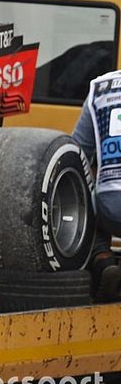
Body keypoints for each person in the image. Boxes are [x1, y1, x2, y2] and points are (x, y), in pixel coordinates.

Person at [73, 70, 121, 301]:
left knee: (83, 186)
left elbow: (77, 151)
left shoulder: (103, 87)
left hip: (109, 206)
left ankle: (102, 258)